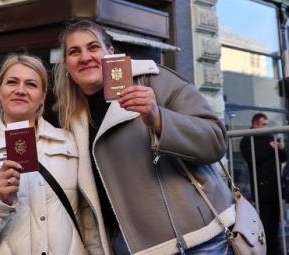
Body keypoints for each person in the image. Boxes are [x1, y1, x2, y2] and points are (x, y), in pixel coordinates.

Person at [53, 20, 235, 255]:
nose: (85, 57)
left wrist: (159, 119)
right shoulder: (69, 116)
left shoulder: (155, 79)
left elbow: (215, 140)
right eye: (74, 52)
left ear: (111, 53)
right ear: (67, 64)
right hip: (131, 248)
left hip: (196, 240)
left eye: (93, 47)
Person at [0, 54, 88, 254]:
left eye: (31, 84)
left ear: (43, 96)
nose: (20, 90)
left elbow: (90, 220)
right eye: (12, 82)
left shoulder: (70, 143)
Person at [240, 112, 285, 254]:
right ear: (255, 125)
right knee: (263, 226)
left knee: (274, 226)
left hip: (275, 190)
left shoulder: (270, 137)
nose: (267, 127)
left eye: (267, 124)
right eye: (264, 124)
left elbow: (284, 157)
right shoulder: (247, 140)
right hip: (261, 192)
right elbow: (253, 157)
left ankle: (275, 251)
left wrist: (281, 148)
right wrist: (271, 148)